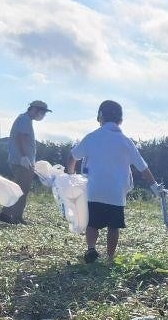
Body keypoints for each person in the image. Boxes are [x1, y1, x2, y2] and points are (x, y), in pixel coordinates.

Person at [66, 100, 162, 264]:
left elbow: (72, 157)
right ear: (120, 121)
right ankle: (110, 257)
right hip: (116, 193)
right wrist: (155, 188)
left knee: (92, 224)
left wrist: (71, 176)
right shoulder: (126, 142)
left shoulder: (91, 137)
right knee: (113, 226)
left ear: (100, 118)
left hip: (93, 190)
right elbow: (143, 168)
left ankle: (91, 248)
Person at [0, 100, 51, 225]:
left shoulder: (25, 120)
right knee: (21, 190)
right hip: (21, 161)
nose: (42, 115)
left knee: (20, 188)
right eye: (42, 112)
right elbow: (20, 138)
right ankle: (14, 216)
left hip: (22, 161)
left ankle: (8, 214)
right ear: (34, 109)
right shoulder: (24, 120)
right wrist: (24, 157)